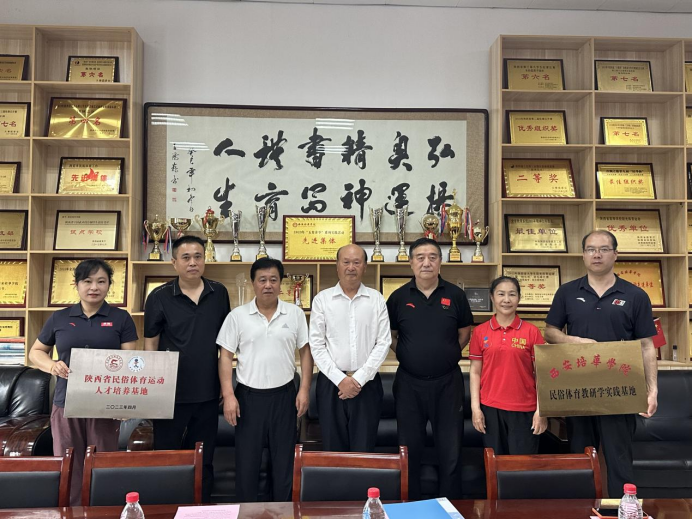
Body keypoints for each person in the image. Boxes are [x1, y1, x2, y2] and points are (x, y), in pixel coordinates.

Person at [544, 230, 658, 498]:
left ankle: (623, 509)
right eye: (591, 249)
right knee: (581, 456)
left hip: (620, 388)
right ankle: (582, 510)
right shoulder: (567, 292)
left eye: (604, 249)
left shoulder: (635, 295)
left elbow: (646, 345)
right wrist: (573, 341)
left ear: (615, 254)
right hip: (578, 387)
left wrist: (652, 390)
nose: (597, 254)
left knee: (619, 456)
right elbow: (550, 332)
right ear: (583, 255)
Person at [29, 259, 138, 506]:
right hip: (66, 402)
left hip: (106, 404)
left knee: (103, 462)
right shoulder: (59, 318)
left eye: (101, 281)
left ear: (109, 285)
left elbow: (130, 362)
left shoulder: (121, 318)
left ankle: (102, 510)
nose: (94, 287)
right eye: (87, 281)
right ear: (76, 284)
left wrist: (126, 402)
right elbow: (36, 352)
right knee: (69, 462)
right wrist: (52, 365)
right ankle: (72, 511)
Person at [217, 258, 313, 502]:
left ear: (281, 283)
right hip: (248, 399)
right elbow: (225, 356)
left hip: (284, 396)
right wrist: (228, 395)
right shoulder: (237, 316)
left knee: (284, 464)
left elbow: (305, 352)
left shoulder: (295, 314)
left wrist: (304, 390)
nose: (268, 285)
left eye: (273, 280)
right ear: (253, 283)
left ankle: (283, 513)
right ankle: (247, 513)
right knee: (247, 464)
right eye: (262, 280)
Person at [144, 235, 230, 502]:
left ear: (205, 259)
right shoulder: (158, 296)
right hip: (169, 394)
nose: (193, 262)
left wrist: (225, 387)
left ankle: (201, 506)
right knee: (167, 457)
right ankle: (167, 507)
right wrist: (152, 390)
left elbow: (225, 345)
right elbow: (151, 344)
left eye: (198, 257)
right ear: (174, 263)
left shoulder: (219, 293)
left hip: (207, 392)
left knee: (204, 458)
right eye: (186, 257)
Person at [387, 237, 474, 500]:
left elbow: (465, 333)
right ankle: (411, 507)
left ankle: (450, 508)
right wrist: (408, 354)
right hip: (409, 384)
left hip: (448, 383)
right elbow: (391, 336)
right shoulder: (398, 297)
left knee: (451, 451)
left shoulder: (455, 295)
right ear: (411, 263)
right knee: (409, 450)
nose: (426, 263)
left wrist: (446, 354)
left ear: (440, 262)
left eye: (432, 257)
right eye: (420, 257)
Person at [309, 244, 391, 452]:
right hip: (331, 385)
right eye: (346, 262)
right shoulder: (322, 300)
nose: (351, 267)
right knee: (333, 450)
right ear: (337, 266)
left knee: (364, 450)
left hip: (367, 385)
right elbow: (316, 345)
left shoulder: (376, 299)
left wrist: (358, 379)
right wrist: (341, 380)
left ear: (365, 267)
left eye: (356, 262)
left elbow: (383, 342)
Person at [469, 276, 547, 455]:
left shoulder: (532, 332)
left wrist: (541, 411)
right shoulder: (480, 332)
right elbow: (475, 372)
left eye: (512, 294)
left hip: (525, 409)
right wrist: (475, 409)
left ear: (519, 298)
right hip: (490, 409)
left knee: (522, 466)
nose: (506, 300)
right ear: (492, 297)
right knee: (494, 464)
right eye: (501, 294)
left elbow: (541, 374)